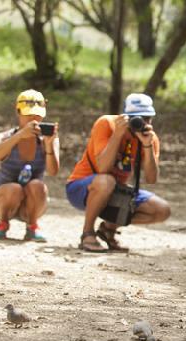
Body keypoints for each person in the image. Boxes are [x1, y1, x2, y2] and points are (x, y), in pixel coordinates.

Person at [66, 93, 171, 252]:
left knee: (162, 210)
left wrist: (147, 146)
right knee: (106, 181)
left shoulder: (149, 138)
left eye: (147, 118)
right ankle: (87, 234)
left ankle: (108, 230)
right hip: (81, 188)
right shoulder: (107, 124)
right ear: (124, 117)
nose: (142, 122)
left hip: (114, 192)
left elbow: (151, 178)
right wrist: (117, 135)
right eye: (137, 118)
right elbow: (103, 169)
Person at [0, 89, 60, 242]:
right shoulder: (4, 137)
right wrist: (19, 136)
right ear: (18, 111)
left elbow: (53, 171)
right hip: (3, 199)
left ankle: (32, 226)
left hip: (32, 202)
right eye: (29, 114)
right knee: (14, 188)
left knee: (38, 185)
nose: (33, 118)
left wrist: (48, 146)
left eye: (37, 114)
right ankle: (2, 223)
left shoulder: (49, 140)